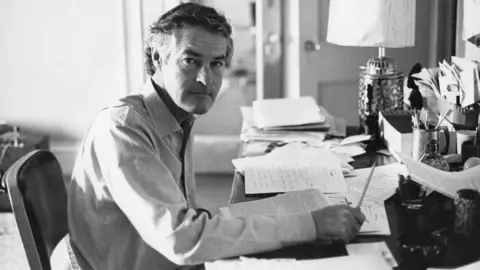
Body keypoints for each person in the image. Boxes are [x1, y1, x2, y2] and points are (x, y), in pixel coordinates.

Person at [64, 3, 366, 270]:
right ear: (158, 58)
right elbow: (181, 240)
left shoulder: (177, 113)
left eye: (216, 64)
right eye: (190, 61)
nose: (205, 80)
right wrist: (310, 224)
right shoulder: (123, 129)